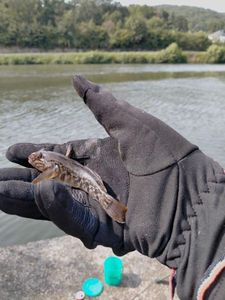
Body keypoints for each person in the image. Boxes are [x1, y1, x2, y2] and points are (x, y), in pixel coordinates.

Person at [0, 75, 225, 300]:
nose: (36, 159)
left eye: (39, 158)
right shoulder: (57, 162)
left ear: (51, 164)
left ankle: (112, 206)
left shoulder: (53, 167)